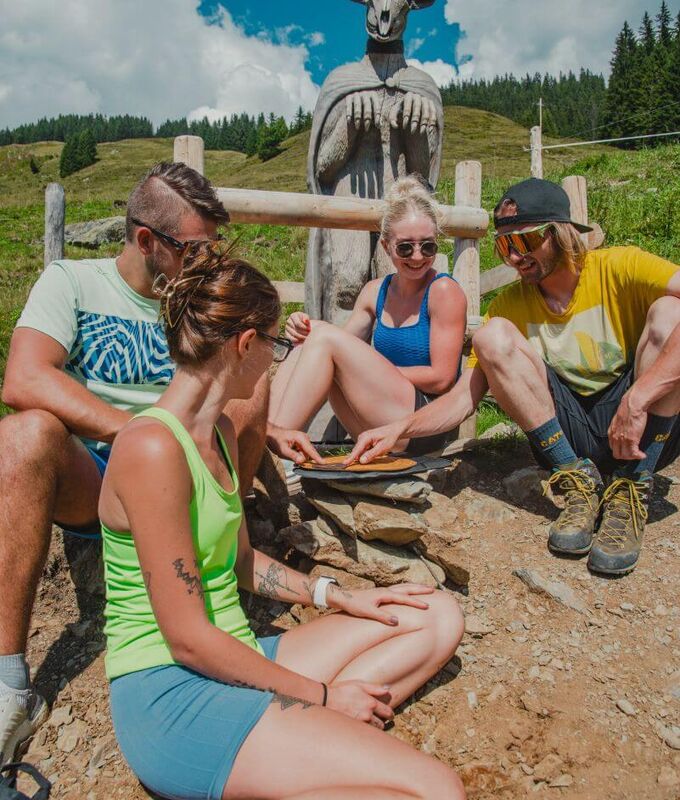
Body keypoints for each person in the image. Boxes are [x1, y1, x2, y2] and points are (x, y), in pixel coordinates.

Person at [98, 242, 466, 800]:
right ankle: (303, 730)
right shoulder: (150, 448)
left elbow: (241, 561)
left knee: (434, 614)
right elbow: (189, 640)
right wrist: (319, 695)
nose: (275, 358)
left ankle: (295, 739)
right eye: (273, 344)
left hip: (238, 653)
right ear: (246, 344)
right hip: (173, 693)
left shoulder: (218, 429)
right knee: (436, 791)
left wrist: (334, 595)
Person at [0, 162, 319, 767]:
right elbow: (23, 377)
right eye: (194, 249)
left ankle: (227, 556)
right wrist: (148, 440)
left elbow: (222, 390)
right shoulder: (72, 282)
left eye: (212, 248)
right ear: (147, 240)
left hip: (189, 459)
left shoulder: (199, 299)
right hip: (101, 471)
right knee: (23, 436)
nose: (207, 262)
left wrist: (258, 430)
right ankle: (8, 680)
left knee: (252, 386)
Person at [348, 177, 680, 577]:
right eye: (505, 246)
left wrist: (639, 397)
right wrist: (401, 427)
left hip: (640, 426)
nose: (513, 257)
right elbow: (462, 398)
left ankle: (631, 487)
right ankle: (575, 481)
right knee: (492, 337)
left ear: (561, 234)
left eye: (525, 242)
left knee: (670, 313)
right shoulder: (509, 304)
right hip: (572, 430)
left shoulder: (620, 266)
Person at [269, 174, 467, 454]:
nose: (418, 256)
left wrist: (371, 372)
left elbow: (442, 378)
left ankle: (275, 451)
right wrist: (302, 327)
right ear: (386, 247)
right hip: (378, 419)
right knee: (313, 336)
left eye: (428, 246)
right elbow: (333, 347)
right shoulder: (375, 291)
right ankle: (266, 434)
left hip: (423, 425)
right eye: (405, 247)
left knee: (324, 339)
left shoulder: (444, 290)